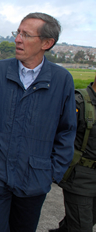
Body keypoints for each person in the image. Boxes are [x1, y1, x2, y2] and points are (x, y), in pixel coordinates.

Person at [0, 12, 77, 232]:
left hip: (34, 178)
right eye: (17, 32)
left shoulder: (61, 80)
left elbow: (66, 131)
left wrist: (52, 172)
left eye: (26, 35)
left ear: (47, 43)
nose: (17, 39)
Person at [49, 74, 96, 232]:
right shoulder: (79, 102)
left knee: (76, 223)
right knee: (82, 227)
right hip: (80, 179)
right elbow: (55, 135)